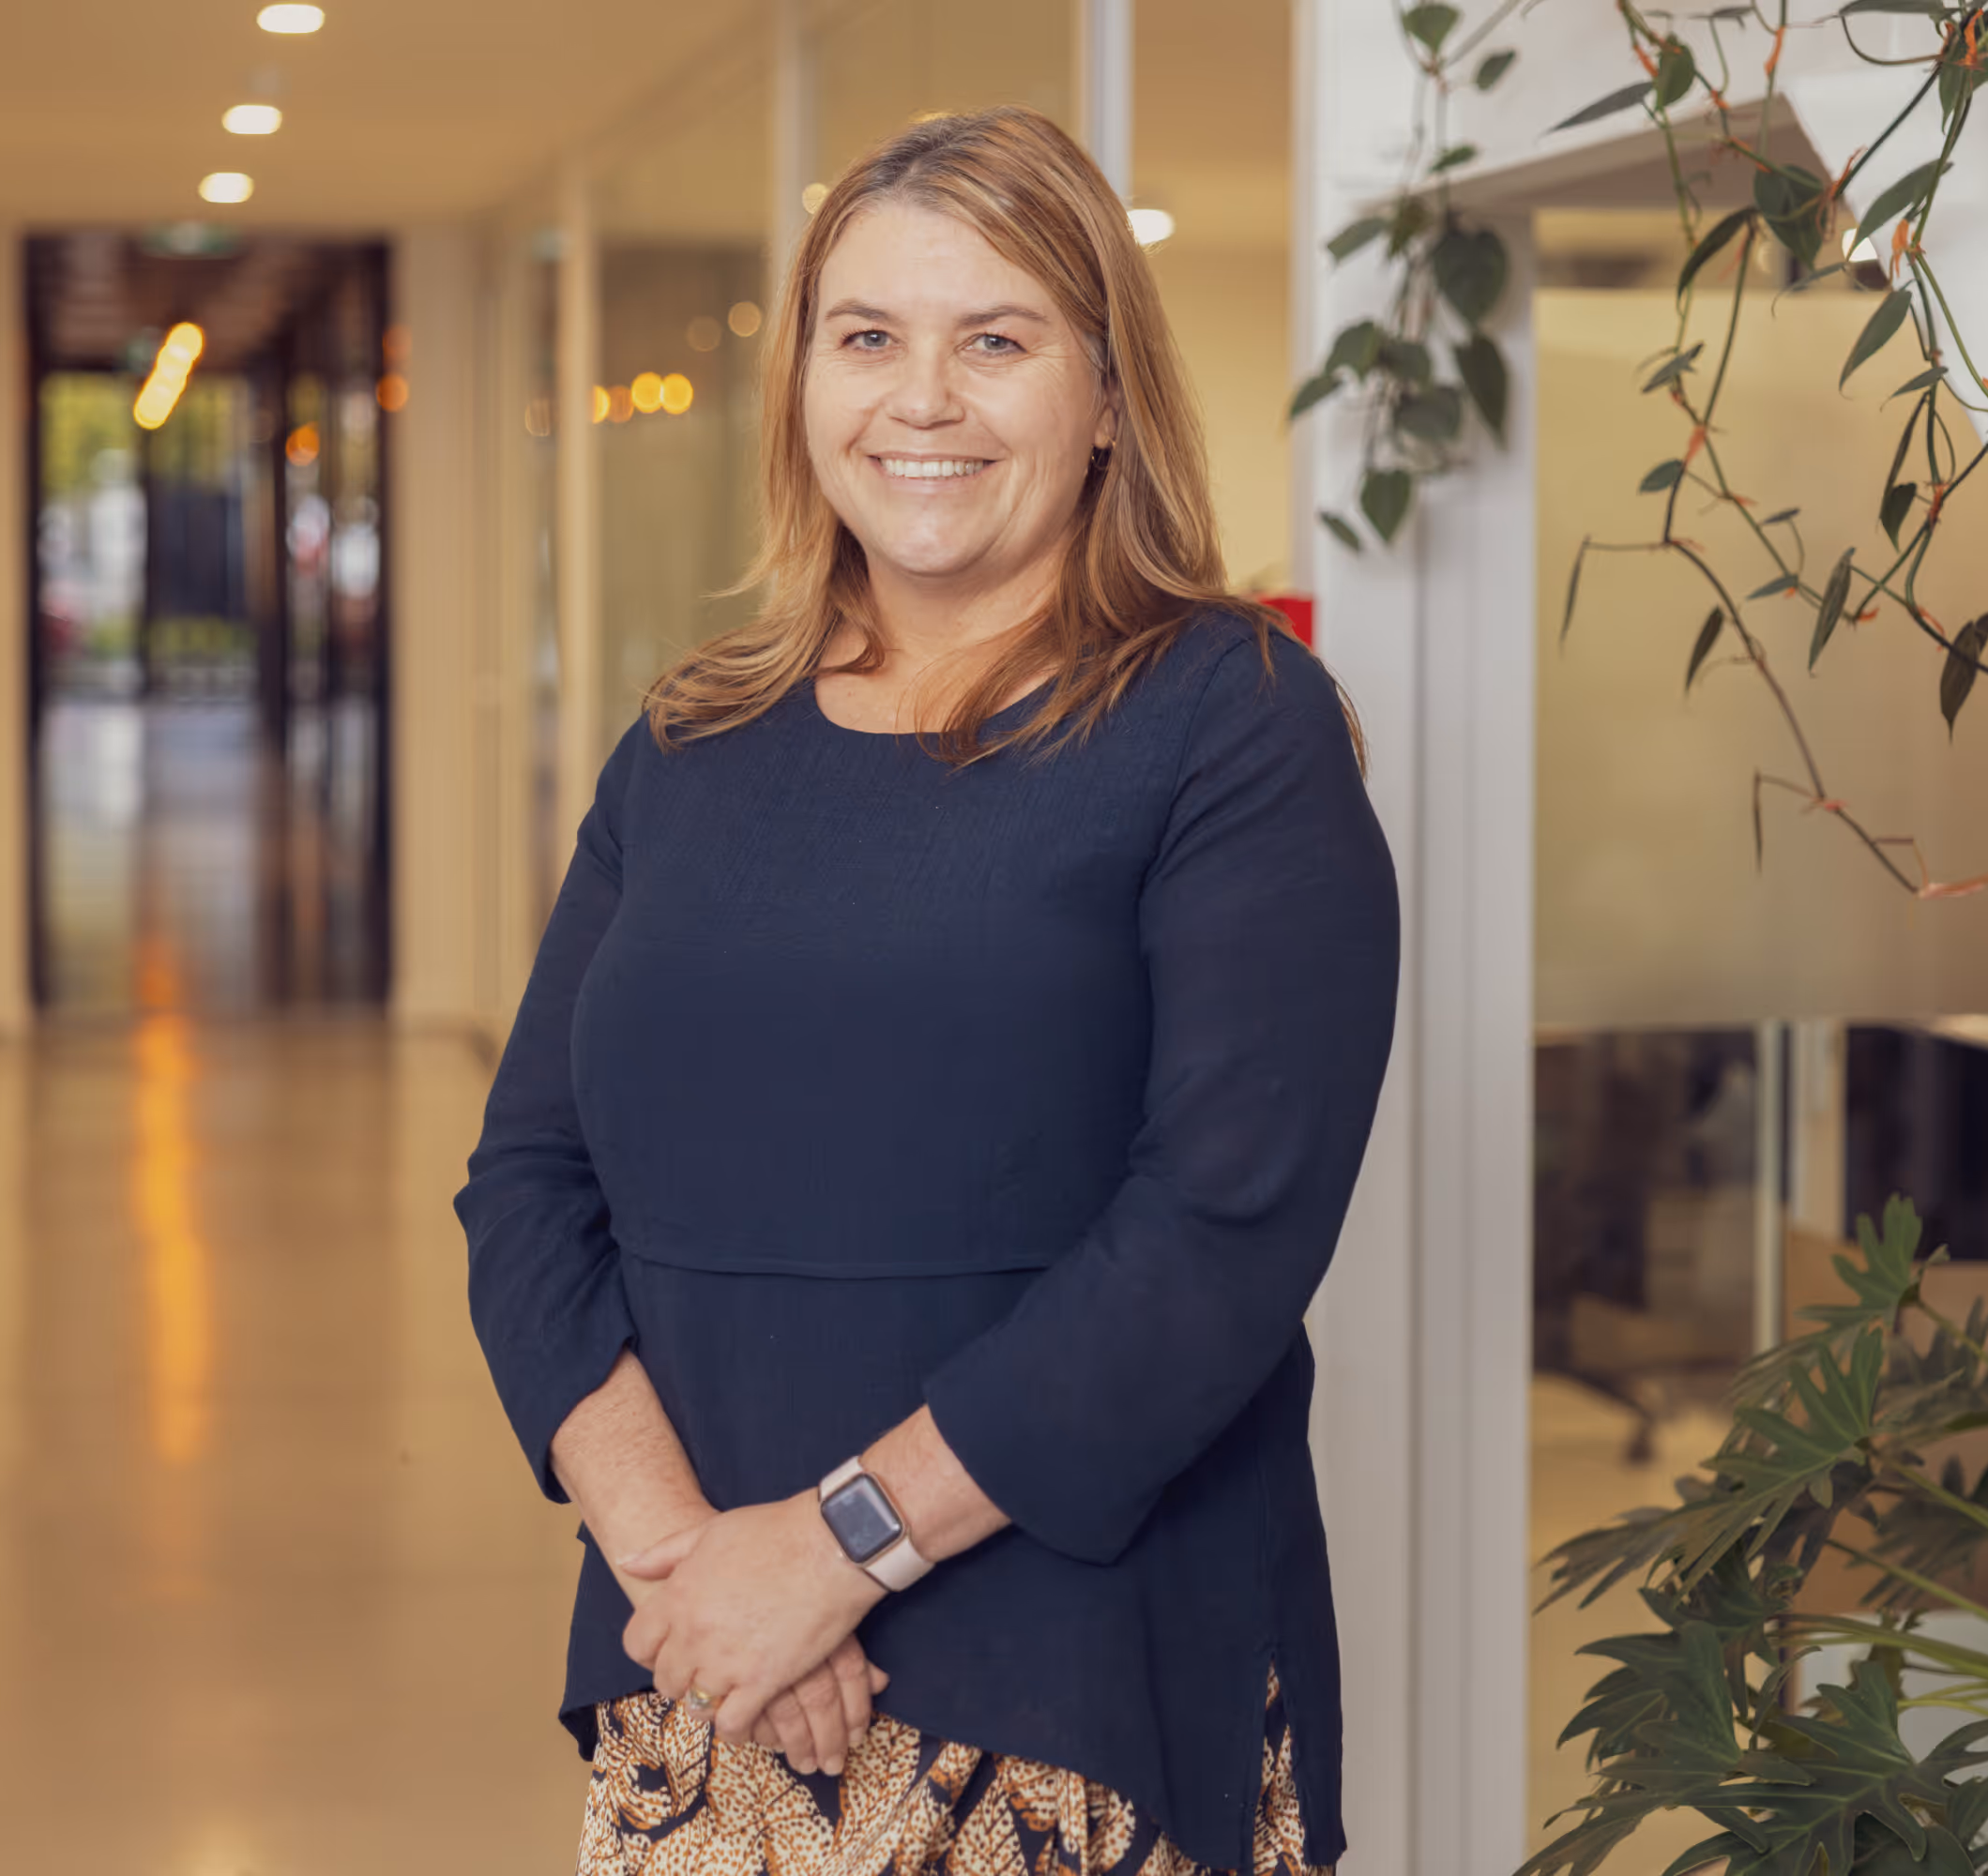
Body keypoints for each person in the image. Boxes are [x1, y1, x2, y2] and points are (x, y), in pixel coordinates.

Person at [457, 104, 1399, 1876]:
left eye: (997, 340)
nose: (923, 399)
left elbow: (1218, 1236)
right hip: (704, 1691)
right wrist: (689, 1566)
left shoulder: (1230, 727)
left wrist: (824, 1553)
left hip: (1066, 1712)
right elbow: (524, 1188)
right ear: (803, 384)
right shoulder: (691, 741)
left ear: (1111, 395)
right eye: (868, 337)